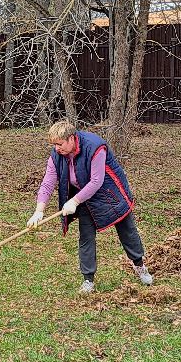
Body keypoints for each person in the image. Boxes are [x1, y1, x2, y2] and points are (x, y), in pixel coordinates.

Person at [28, 120, 153, 294]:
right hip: (85, 197)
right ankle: (88, 280)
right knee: (86, 236)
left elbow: (96, 181)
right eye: (54, 145)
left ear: (71, 138)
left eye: (60, 144)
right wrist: (39, 211)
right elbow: (48, 183)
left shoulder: (95, 147)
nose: (56, 148)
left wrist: (74, 201)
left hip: (111, 193)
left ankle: (140, 266)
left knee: (127, 231)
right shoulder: (57, 155)